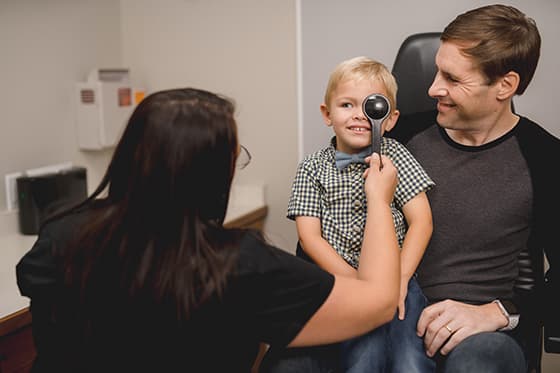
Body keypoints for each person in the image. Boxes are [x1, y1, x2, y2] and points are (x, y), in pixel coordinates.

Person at [16, 87, 402, 372]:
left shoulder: (62, 233)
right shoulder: (237, 264)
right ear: (214, 174)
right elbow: (380, 302)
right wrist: (380, 201)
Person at [386, 4, 560, 373]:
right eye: (437, 71)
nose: (433, 88)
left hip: (485, 337)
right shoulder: (398, 138)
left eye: (452, 78)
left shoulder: (545, 159)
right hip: (394, 313)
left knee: (478, 362)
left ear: (505, 85)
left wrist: (501, 313)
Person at [263, 57, 435, 373]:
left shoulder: (396, 156)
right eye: (346, 105)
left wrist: (399, 279)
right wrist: (356, 286)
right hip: (339, 284)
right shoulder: (312, 167)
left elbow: (422, 221)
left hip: (395, 282)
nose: (359, 115)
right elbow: (309, 237)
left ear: (391, 118)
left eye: (372, 106)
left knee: (410, 362)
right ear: (327, 114)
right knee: (362, 361)